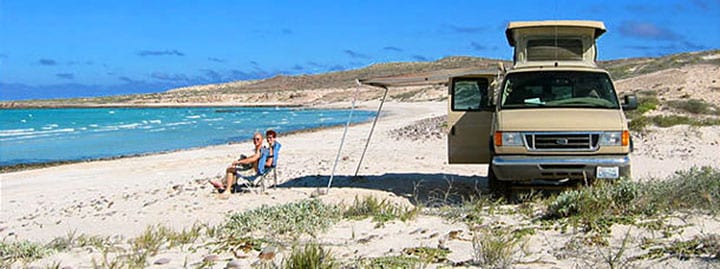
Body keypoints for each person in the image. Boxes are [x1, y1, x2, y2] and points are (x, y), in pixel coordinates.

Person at [210, 132, 268, 198]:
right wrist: (242, 160)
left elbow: (253, 159)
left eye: (258, 139)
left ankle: (227, 190)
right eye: (254, 139)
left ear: (262, 140)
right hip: (254, 169)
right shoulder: (261, 149)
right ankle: (225, 184)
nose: (255, 141)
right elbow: (253, 157)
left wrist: (239, 162)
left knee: (230, 169)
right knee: (234, 167)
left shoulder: (260, 150)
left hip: (254, 172)